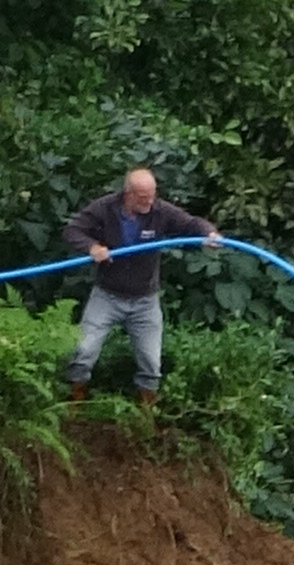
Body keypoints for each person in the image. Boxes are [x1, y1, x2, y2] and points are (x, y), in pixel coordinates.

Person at [58, 168, 223, 404]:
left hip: (145, 299)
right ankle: (74, 402)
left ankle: (146, 414)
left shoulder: (160, 211)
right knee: (83, 351)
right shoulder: (104, 208)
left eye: (152, 195)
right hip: (107, 295)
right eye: (143, 196)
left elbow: (191, 223)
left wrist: (209, 233)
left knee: (151, 362)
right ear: (128, 194)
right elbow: (72, 230)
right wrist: (92, 247)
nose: (149, 201)